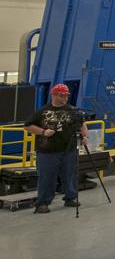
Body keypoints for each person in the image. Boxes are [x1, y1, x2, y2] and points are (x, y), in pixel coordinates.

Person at [25, 84, 88, 213]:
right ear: (53, 95)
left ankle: (70, 197)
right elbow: (28, 126)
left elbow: (82, 124)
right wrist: (43, 132)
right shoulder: (42, 112)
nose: (64, 98)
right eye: (61, 95)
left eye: (66, 95)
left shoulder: (73, 110)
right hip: (47, 151)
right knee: (47, 177)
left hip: (69, 150)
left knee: (69, 175)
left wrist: (85, 137)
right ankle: (42, 203)